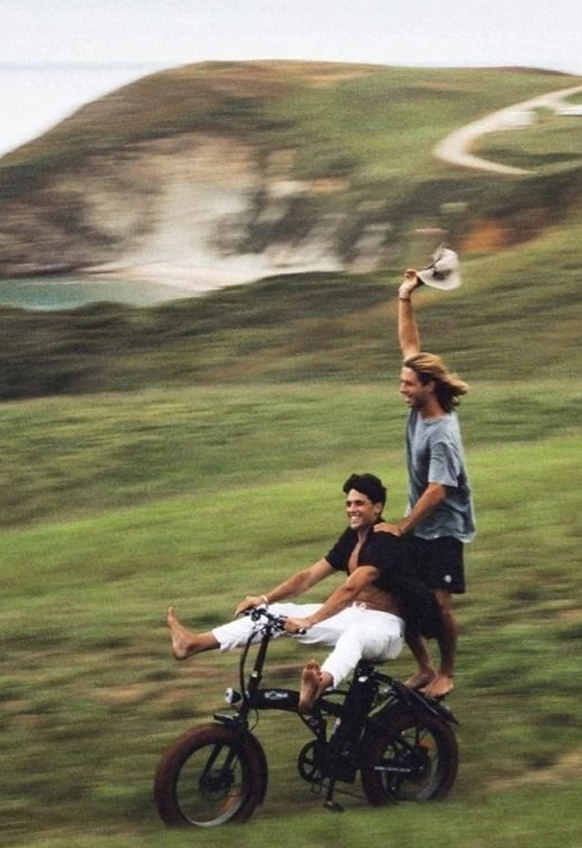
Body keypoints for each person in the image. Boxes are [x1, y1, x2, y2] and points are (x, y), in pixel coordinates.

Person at [166, 472, 441, 714]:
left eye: (359, 503)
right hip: (354, 616)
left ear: (377, 507)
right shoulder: (352, 538)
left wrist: (310, 620)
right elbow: (308, 576)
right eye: (348, 503)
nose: (352, 509)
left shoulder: (385, 541)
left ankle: (320, 684)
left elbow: (351, 588)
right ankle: (194, 643)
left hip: (386, 629)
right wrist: (264, 599)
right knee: (276, 614)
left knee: (354, 637)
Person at [374, 268, 475, 700]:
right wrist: (405, 298)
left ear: (428, 387)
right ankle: (424, 667)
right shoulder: (420, 403)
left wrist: (401, 527)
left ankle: (446, 673)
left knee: (439, 604)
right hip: (418, 523)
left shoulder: (441, 435)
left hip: (443, 529)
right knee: (397, 590)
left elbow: (437, 492)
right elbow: (409, 347)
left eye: (407, 384)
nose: (401, 389)